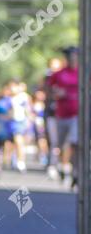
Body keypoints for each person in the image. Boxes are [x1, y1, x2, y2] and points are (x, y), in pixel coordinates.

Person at [46, 47, 78, 184]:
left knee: (75, 141)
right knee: (61, 143)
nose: (72, 58)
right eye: (69, 56)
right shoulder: (59, 74)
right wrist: (54, 95)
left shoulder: (83, 72)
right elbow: (48, 88)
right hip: (61, 114)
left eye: (74, 56)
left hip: (77, 115)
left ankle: (75, 170)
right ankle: (62, 166)